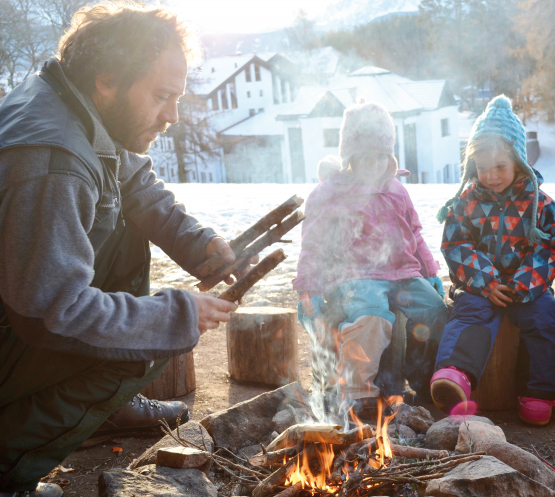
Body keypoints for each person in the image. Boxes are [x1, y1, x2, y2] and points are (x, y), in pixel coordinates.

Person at [0, 4, 248, 495]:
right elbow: (52, 312)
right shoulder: (55, 162)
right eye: (161, 96)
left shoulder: (73, 102)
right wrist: (175, 316)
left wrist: (200, 245)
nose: (173, 116)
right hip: (21, 319)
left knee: (130, 241)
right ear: (108, 79)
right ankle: (9, 467)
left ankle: (102, 409)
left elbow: (135, 184)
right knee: (147, 342)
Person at [294, 101, 449, 415]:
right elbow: (312, 243)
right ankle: (358, 390)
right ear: (350, 156)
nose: (374, 164)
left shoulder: (397, 190)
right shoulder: (329, 193)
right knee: (372, 315)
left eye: (381, 156)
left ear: (390, 157)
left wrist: (430, 271)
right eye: (365, 156)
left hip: (403, 272)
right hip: (355, 274)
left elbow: (415, 232)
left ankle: (425, 380)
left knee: (435, 310)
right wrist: (307, 289)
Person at [431, 95, 555, 426]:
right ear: (471, 166)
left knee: (546, 321)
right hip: (481, 285)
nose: (490, 176)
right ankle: (455, 374)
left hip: (527, 287)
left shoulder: (541, 204)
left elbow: (552, 246)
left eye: (500, 167)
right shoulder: (465, 202)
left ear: (519, 162)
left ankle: (538, 393)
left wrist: (522, 285)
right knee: (470, 314)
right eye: (482, 168)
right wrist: (486, 281)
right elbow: (456, 243)